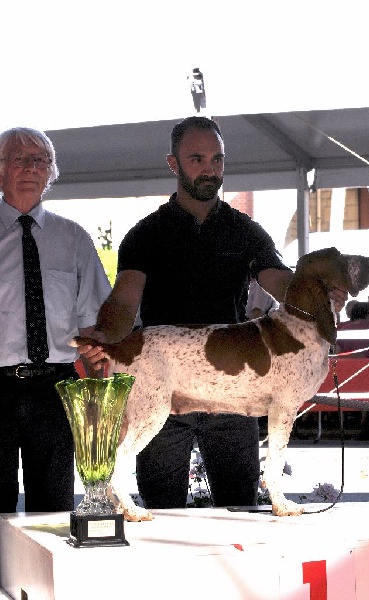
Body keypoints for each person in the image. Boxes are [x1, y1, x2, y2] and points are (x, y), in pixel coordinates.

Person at [78, 116, 346, 509]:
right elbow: (123, 302)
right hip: (166, 382)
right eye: (197, 159)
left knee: (239, 510)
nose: (210, 169)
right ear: (173, 164)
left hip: (235, 389)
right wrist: (105, 335)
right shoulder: (145, 234)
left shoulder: (246, 231)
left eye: (217, 159)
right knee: (162, 512)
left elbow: (284, 286)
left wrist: (321, 293)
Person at [0, 127, 112, 513]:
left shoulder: (74, 239)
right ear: (0, 169)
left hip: (55, 388)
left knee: (53, 510)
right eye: (20, 159)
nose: (31, 168)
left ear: (51, 172)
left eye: (40, 160)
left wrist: (99, 387)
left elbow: (94, 325)